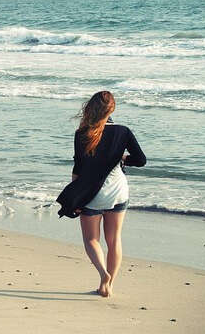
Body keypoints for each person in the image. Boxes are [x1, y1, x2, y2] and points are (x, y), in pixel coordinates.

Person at [69, 91, 145, 297]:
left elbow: (78, 168)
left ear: (91, 108)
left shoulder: (82, 133)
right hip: (119, 192)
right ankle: (108, 286)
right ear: (112, 109)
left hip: (92, 193)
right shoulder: (124, 131)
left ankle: (103, 275)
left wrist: (74, 197)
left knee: (92, 240)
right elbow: (141, 160)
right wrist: (121, 158)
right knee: (114, 240)